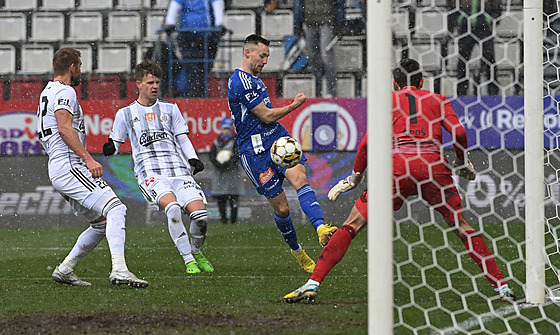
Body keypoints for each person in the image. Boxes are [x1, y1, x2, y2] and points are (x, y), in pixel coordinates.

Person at [283, 58, 515, 303]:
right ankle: (502, 286)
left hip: (397, 168)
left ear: (394, 83)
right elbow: (458, 131)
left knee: (352, 225)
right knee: (463, 228)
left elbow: (366, 144)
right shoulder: (437, 100)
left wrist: (354, 178)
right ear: (422, 81)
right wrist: (461, 161)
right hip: (433, 166)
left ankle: (313, 282)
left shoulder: (388, 101)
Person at [38, 48, 149, 288]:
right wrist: (88, 159)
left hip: (58, 165)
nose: (81, 71)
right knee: (116, 209)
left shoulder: (47, 91)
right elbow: (65, 128)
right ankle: (119, 270)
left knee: (101, 223)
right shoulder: (65, 91)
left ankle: (65, 269)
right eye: (80, 65)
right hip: (69, 165)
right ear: (72, 68)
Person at [228, 34, 338, 273]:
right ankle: (298, 252)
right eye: (262, 55)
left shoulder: (255, 79)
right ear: (248, 53)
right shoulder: (240, 82)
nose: (265, 61)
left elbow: (268, 121)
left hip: (277, 139)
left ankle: (321, 229)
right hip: (254, 152)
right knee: (283, 209)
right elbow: (266, 115)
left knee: (300, 178)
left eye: (267, 56)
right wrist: (294, 105)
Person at [103, 60, 214, 275]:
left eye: (157, 82)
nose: (155, 86)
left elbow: (182, 138)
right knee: (172, 209)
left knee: (200, 216)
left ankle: (197, 251)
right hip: (150, 174)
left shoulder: (171, 109)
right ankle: (188, 260)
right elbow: (115, 143)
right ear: (138, 84)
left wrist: (193, 158)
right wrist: (109, 148)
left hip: (178, 170)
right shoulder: (125, 114)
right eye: (150, 82)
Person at [164, 0, 226, 98]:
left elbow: (217, 3)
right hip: (187, 35)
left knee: (204, 66)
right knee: (191, 65)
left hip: (207, 35)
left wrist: (219, 23)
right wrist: (170, 22)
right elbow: (175, 5)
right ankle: (195, 93)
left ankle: (196, 93)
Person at [448, 0, 502, 96]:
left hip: (484, 26)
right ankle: (462, 91)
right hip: (465, 26)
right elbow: (451, 4)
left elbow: (497, 4)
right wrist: (458, 20)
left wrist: (492, 19)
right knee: (462, 60)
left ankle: (493, 90)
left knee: (489, 59)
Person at [293, 0, 345, 97]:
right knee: (313, 58)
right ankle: (317, 91)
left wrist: (340, 21)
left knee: (327, 56)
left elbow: (339, 3)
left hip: (327, 22)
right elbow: (299, 3)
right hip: (311, 22)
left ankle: (331, 92)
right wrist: (298, 22)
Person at [209, 117, 244, 224]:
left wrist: (229, 164)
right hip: (220, 175)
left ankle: (234, 220)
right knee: (221, 199)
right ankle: (223, 219)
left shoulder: (235, 142)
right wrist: (219, 164)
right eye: (225, 129)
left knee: (233, 199)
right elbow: (212, 156)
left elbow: (237, 155)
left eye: (228, 129)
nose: (226, 131)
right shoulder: (216, 142)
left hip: (232, 175)